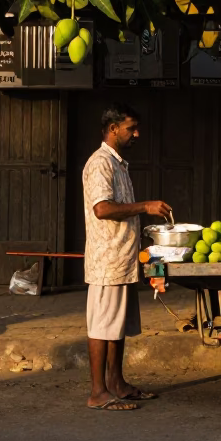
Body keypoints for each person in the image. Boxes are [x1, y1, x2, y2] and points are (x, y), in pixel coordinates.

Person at [81, 102, 171, 411]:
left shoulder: (118, 164)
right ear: (112, 129)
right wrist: (146, 207)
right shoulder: (100, 164)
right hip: (106, 261)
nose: (137, 133)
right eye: (131, 128)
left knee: (116, 327)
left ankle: (116, 383)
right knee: (102, 327)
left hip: (123, 259)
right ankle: (97, 392)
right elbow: (102, 209)